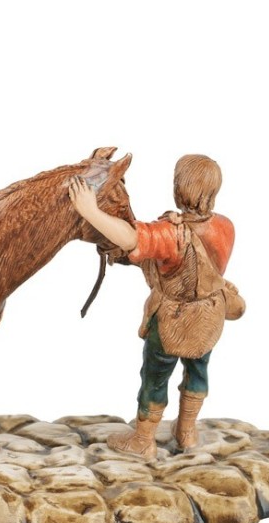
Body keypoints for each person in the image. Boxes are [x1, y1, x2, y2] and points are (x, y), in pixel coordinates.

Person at [69, 153, 243, 458]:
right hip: (209, 315)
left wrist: (90, 211)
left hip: (172, 321)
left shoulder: (170, 233)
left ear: (178, 189)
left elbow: (132, 238)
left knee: (155, 376)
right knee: (198, 370)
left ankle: (143, 440)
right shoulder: (225, 226)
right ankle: (186, 433)